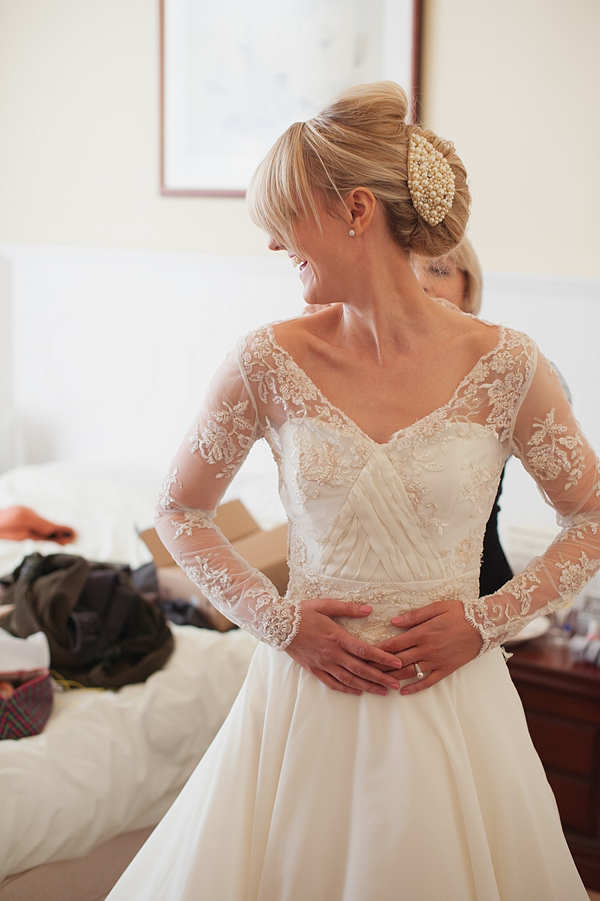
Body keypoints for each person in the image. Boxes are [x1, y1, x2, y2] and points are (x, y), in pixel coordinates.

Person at [107, 82, 596, 900]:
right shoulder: (263, 361)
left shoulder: (509, 364)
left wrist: (484, 621)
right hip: (302, 704)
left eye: (283, 216)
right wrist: (279, 620)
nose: (271, 244)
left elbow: (587, 517)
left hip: (451, 708)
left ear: (356, 211)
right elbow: (179, 510)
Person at [412, 239, 513, 595]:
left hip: (480, 594)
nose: (421, 282)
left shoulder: (507, 373)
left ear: (468, 289)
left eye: (438, 270)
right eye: (404, 268)